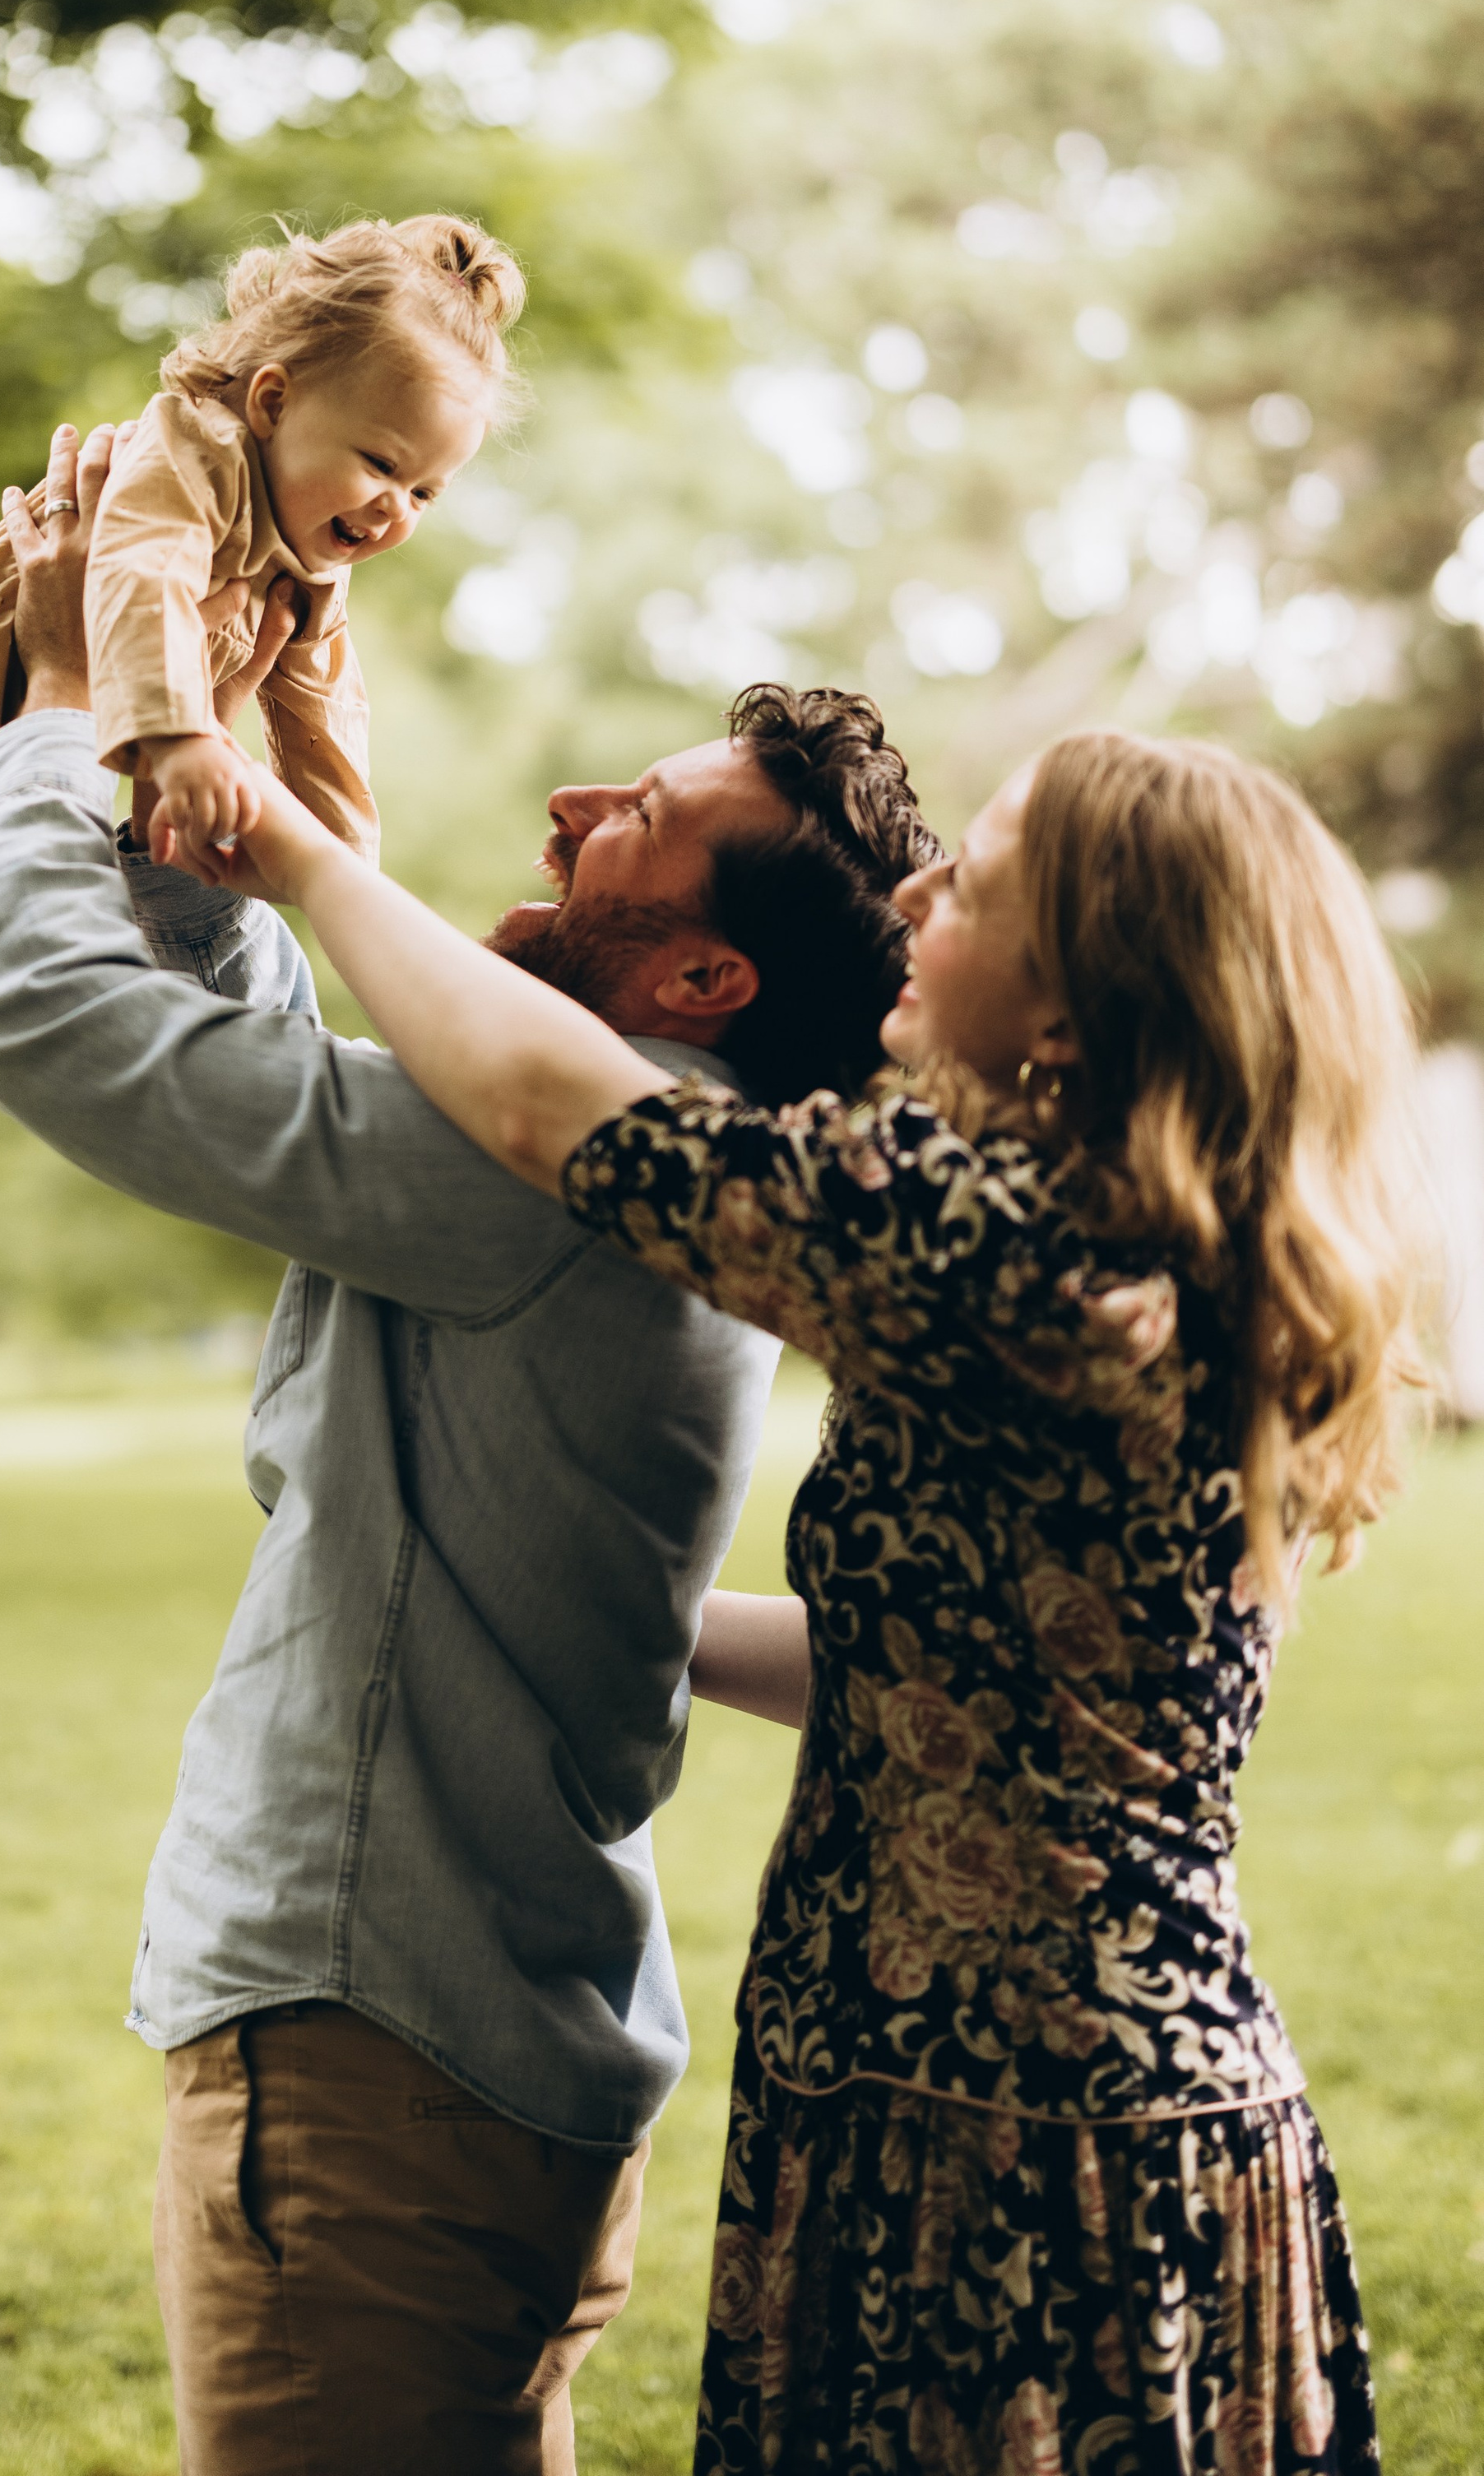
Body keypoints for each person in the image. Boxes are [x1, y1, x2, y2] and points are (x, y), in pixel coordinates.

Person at [216, 715, 1428, 2476]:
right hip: (1120, 2104)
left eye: (982, 882)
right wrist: (580, 1601)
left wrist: (303, 860)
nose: (921, 888)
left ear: (1080, 1002)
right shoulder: (1157, 1260)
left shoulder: (1006, 1252)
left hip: (1004, 2143)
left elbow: (552, 1107)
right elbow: (968, 1679)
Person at [0, 420, 938, 2476]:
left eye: (633, 820)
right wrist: (199, 779)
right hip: (496, 2052)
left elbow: (38, 1013)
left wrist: (56, 720)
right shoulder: (635, 1149)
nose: (572, 803)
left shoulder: (561, 1160)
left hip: (379, 2048)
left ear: (695, 975)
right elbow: (291, 1076)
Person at [0, 214, 519, 1449]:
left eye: (425, 490)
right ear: (274, 395)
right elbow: (133, 580)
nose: (395, 507)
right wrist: (179, 737)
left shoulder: (308, 571)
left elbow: (323, 726)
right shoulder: (179, 459)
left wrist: (353, 890)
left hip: (14, 798)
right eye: (379, 462)